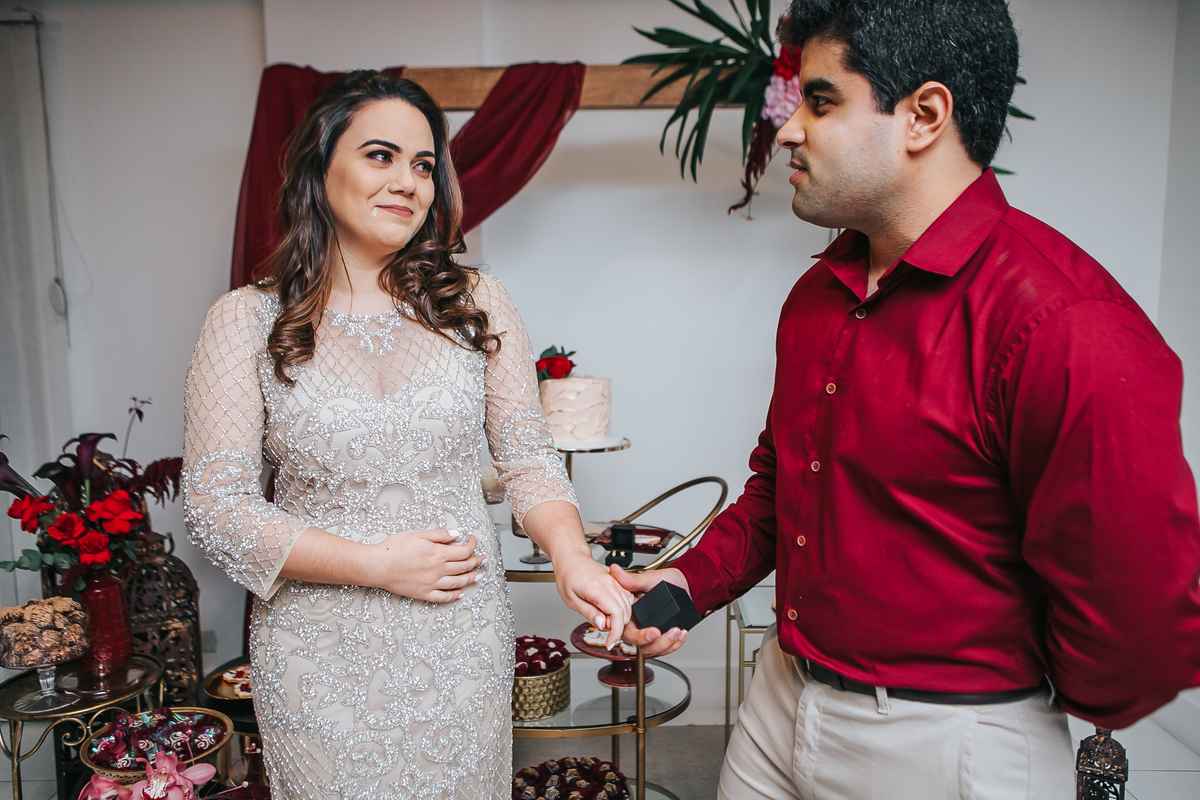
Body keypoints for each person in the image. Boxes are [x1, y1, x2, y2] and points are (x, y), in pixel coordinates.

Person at [613, 1, 1200, 798]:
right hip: (778, 702)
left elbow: (1136, 628)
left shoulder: (1065, 325)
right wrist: (691, 583)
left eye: (821, 102)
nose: (787, 131)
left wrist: (1008, 699)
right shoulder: (816, 296)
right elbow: (783, 486)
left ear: (924, 116)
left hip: (949, 743)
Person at [182, 71, 632, 799]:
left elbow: (528, 460)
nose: (407, 182)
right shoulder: (245, 320)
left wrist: (573, 559)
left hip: (460, 641)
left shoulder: (478, 303)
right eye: (380, 156)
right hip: (317, 651)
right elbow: (216, 506)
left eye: (423, 165)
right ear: (320, 167)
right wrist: (375, 566)